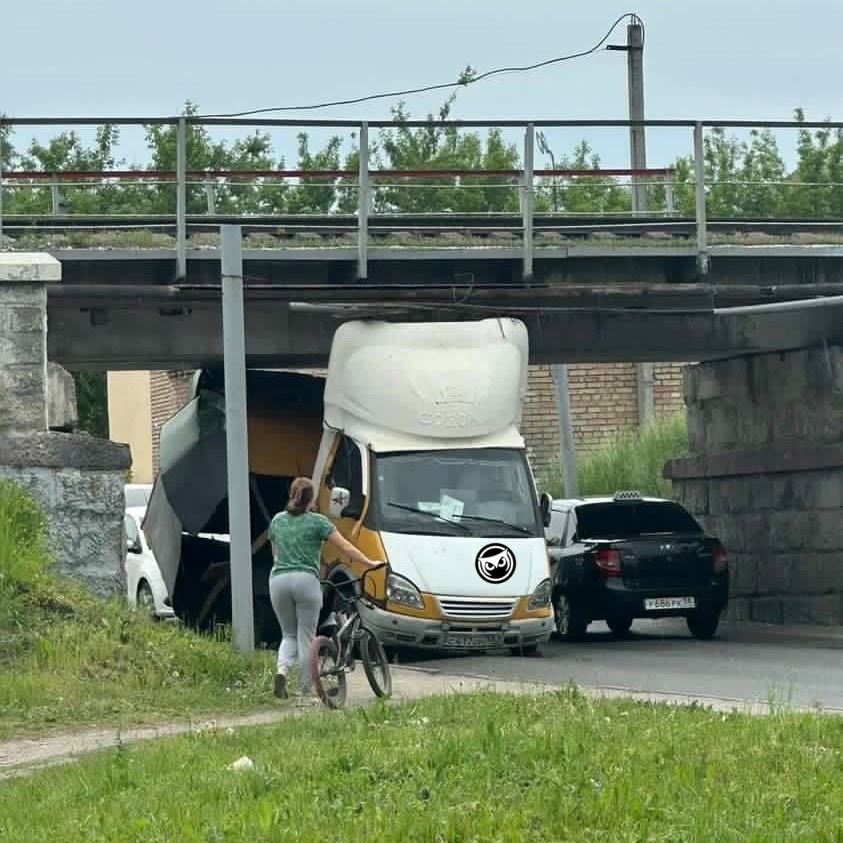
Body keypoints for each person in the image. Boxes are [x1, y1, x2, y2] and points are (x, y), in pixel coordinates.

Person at [268, 476, 379, 703]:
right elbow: (346, 547)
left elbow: (275, 554)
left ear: (291, 494)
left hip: (278, 579)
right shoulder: (319, 522)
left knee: (288, 634)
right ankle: (305, 693)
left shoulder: (277, 520)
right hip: (305, 581)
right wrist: (369, 563)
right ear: (312, 499)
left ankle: (281, 671)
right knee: (306, 638)